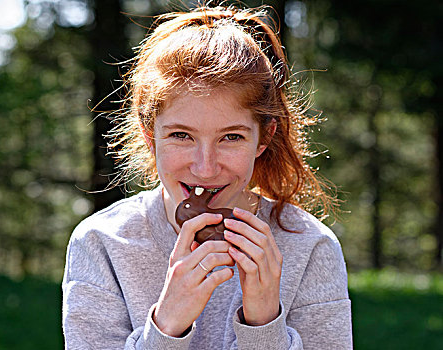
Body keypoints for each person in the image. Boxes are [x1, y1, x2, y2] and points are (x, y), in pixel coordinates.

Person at [62, 5, 352, 349]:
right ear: (148, 134)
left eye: (231, 137)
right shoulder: (102, 243)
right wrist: (167, 324)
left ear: (265, 137)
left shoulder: (309, 246)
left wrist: (263, 324)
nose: (205, 167)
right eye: (181, 136)